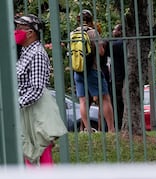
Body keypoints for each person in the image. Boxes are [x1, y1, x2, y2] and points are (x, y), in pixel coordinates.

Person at [14, 14, 67, 165]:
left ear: (30, 33)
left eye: (19, 28)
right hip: (27, 109)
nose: (16, 31)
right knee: (29, 152)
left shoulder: (36, 53)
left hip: (36, 110)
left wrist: (16, 104)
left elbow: (37, 88)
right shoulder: (25, 52)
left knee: (40, 152)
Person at [73, 9, 115, 132]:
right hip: (92, 69)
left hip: (78, 70)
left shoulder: (73, 33)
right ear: (91, 20)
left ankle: (87, 129)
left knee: (83, 100)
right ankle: (111, 129)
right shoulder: (92, 32)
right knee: (105, 98)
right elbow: (101, 52)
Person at [108, 24, 125, 130]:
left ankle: (118, 126)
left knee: (117, 103)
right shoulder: (127, 43)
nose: (113, 31)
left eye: (115, 29)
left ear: (120, 32)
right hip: (122, 76)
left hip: (117, 77)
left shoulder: (116, 45)